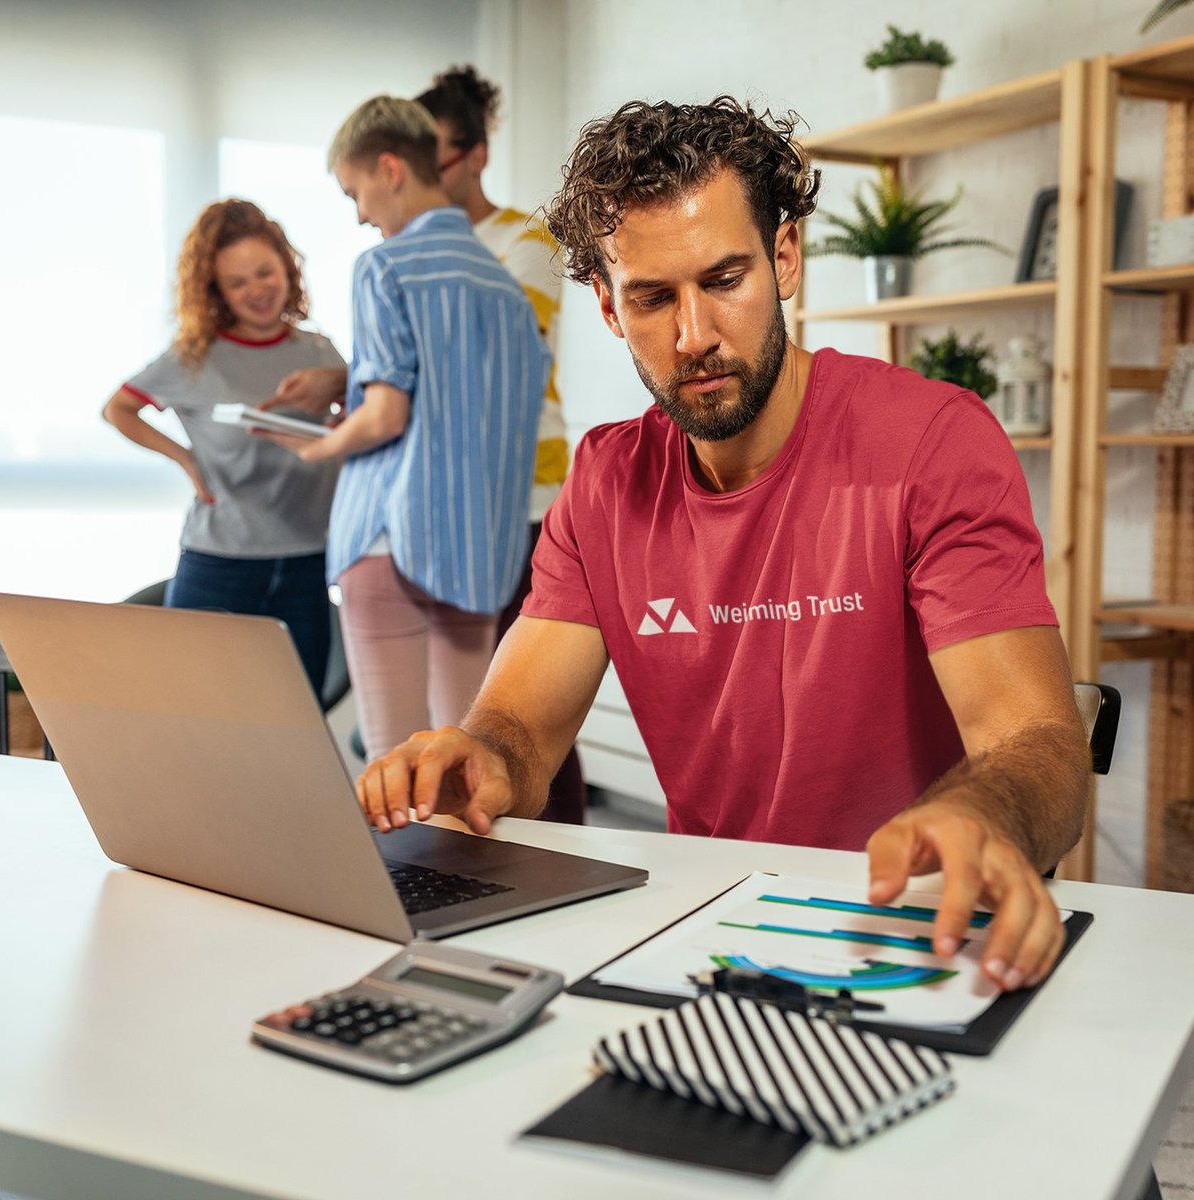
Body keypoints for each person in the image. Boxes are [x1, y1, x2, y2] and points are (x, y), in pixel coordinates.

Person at [353, 97, 1091, 994]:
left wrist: (985, 809)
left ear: (785, 259)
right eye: (653, 298)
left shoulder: (931, 441)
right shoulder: (604, 482)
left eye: (724, 280)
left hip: (910, 925)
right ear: (608, 307)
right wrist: (480, 757)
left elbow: (1042, 742)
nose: (693, 335)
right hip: (712, 925)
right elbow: (521, 736)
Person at [262, 96, 548, 761]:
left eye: (355, 192)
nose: (360, 214)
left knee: (393, 767)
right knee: (467, 761)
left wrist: (319, 446)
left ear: (390, 169)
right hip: (479, 548)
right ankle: (464, 869)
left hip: (389, 537)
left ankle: (402, 873)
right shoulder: (506, 291)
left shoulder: (384, 266)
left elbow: (388, 415)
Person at [414, 64, 588, 825]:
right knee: (471, 701)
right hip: (453, 504)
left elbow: (497, 352)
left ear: (476, 154)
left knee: (532, 701)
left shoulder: (523, 238)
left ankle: (564, 842)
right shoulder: (417, 250)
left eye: (438, 158)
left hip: (529, 497)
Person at [103, 198, 344, 692]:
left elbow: (355, 426)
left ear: (287, 267)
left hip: (308, 563)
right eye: (238, 282)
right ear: (217, 290)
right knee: (196, 714)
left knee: (299, 726)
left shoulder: (320, 352)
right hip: (220, 563)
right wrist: (185, 458)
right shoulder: (194, 357)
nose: (257, 290)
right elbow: (118, 409)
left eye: (265, 272)